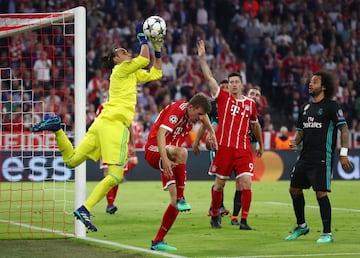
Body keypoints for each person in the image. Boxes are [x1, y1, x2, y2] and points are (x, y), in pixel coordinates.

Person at [32, 23, 164, 232]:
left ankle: (57, 128)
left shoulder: (131, 74)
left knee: (72, 160)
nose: (126, 52)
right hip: (114, 125)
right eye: (122, 52)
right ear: (116, 60)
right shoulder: (121, 69)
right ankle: (85, 208)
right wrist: (142, 37)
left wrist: (157, 50)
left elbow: (156, 72)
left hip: (101, 122)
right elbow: (145, 58)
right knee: (115, 175)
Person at [197, 40, 264, 230]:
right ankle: (215, 215)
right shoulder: (222, 98)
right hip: (224, 148)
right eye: (231, 82)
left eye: (237, 82)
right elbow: (209, 79)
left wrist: (260, 144)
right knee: (219, 185)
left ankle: (243, 220)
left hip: (243, 150)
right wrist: (202, 59)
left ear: (242, 85)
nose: (234, 85)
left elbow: (255, 125)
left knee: (246, 183)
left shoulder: (250, 104)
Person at [285, 70, 352, 243]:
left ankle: (327, 233)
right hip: (305, 157)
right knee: (294, 189)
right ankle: (301, 226)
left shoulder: (332, 106)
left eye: (314, 82)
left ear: (323, 86)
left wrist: (344, 153)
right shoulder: (305, 108)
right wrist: (295, 141)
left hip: (323, 157)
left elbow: (344, 129)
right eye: (310, 81)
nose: (310, 84)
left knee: (320, 193)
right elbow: (300, 132)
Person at [145, 93, 216, 251]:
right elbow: (161, 134)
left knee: (174, 201)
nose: (199, 119)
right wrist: (164, 158)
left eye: (201, 115)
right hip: (155, 150)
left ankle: (158, 241)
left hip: (171, 155)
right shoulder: (178, 110)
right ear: (190, 108)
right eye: (198, 114)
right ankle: (183, 197)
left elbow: (204, 118)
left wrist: (212, 133)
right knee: (183, 152)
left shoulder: (195, 114)